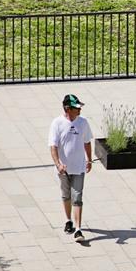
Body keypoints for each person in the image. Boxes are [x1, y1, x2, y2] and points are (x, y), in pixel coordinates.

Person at [48, 93, 93, 242]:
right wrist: (58, 164)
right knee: (66, 195)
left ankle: (78, 229)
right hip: (64, 169)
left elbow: (87, 142)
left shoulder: (83, 123)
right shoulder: (57, 123)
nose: (79, 110)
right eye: (76, 108)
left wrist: (89, 160)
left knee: (77, 197)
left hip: (79, 167)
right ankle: (69, 220)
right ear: (68, 109)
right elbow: (53, 146)